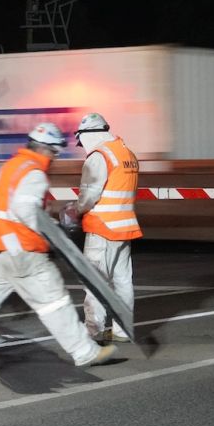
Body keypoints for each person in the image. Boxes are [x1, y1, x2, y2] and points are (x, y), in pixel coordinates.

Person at [0, 122, 117, 367]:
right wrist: (51, 234)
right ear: (45, 149)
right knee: (54, 300)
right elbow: (25, 209)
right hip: (24, 250)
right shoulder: (34, 173)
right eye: (54, 153)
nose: (54, 158)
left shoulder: (10, 167)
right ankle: (85, 352)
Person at [70, 112, 142, 343]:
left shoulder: (99, 157)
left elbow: (89, 194)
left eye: (81, 141)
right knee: (122, 281)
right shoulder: (127, 153)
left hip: (102, 228)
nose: (82, 147)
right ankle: (122, 330)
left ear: (89, 135)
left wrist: (75, 210)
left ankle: (93, 332)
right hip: (124, 227)